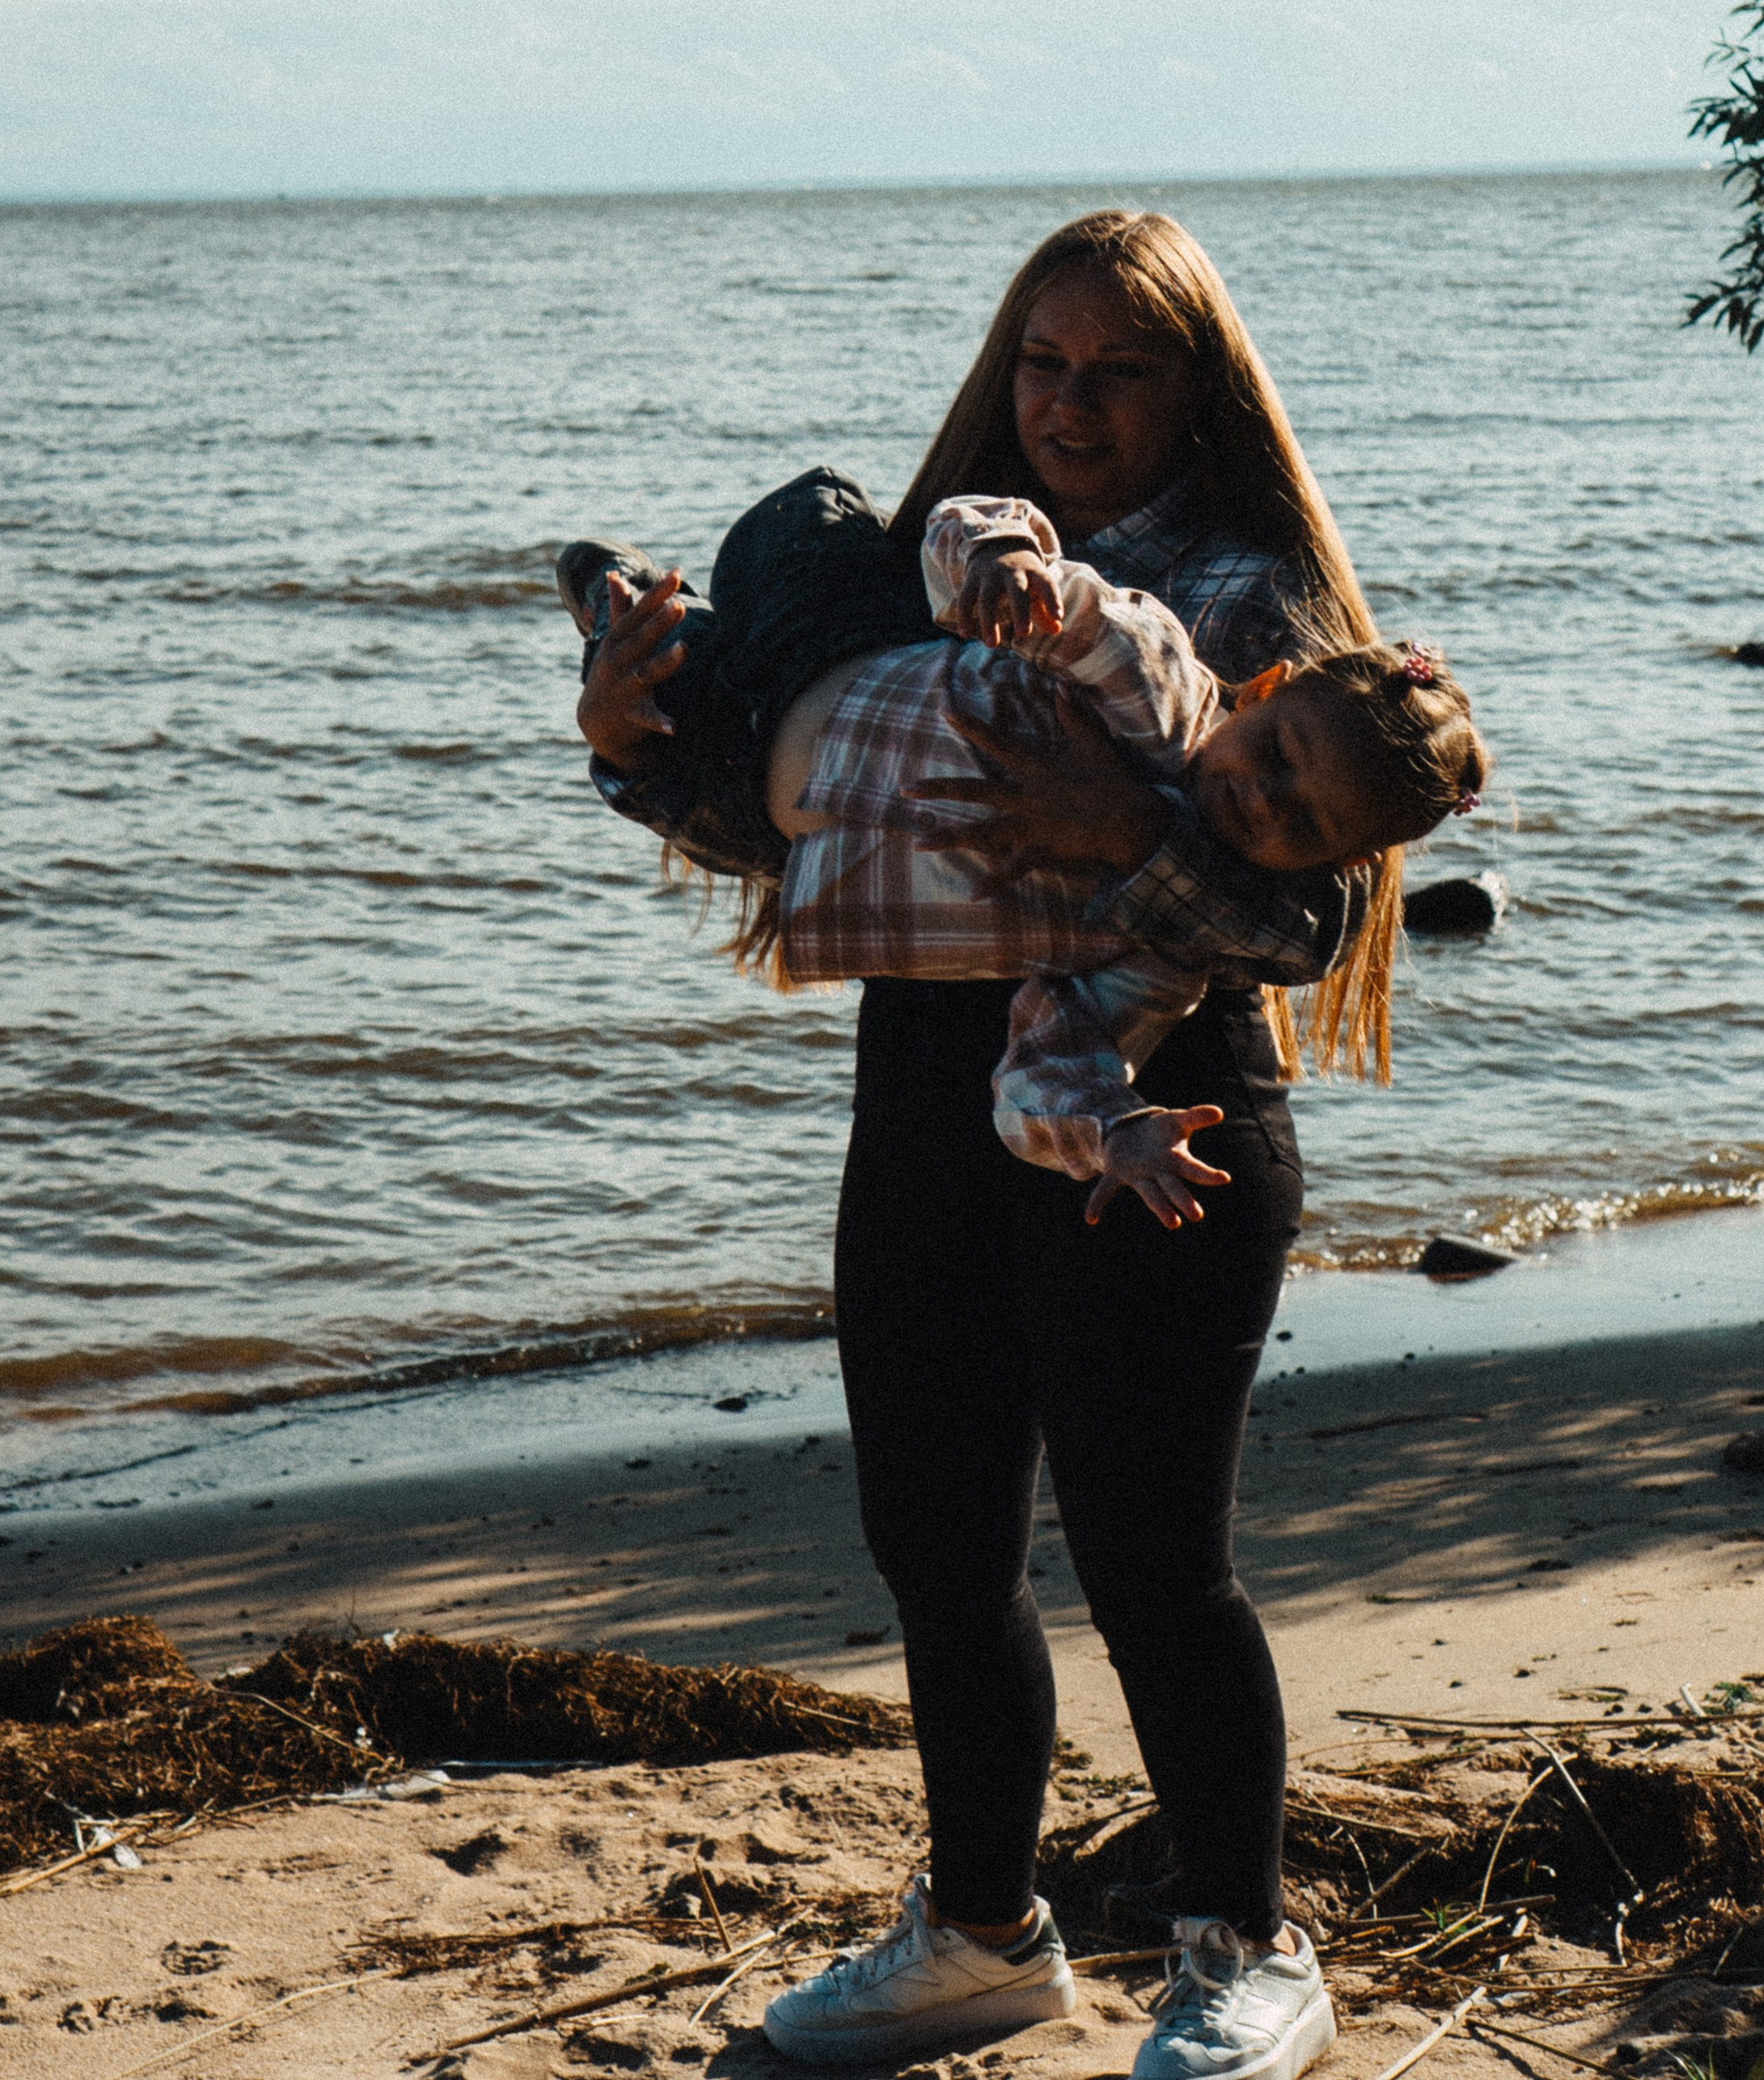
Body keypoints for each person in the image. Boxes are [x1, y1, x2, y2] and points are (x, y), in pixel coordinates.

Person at [577, 212, 1405, 2080]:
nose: (1070, 401)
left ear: (1196, 385)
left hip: (1163, 1090)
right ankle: (975, 1931)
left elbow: (1317, 916)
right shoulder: (926, 560)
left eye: (1117, 367)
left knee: (1145, 1551)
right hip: (933, 1083)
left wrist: (1131, 813)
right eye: (1041, 361)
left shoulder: (1249, 587)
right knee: (934, 1536)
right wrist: (634, 743)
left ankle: (1245, 1944)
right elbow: (806, 821)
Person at [558, 478, 1484, 1223]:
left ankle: (616, 603)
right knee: (806, 521)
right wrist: (1003, 555)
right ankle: (624, 594)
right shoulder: (1148, 672)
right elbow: (992, 539)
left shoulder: (1161, 956)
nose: (1262, 799)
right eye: (1279, 754)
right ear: (1268, 686)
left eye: (1309, 825)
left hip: (751, 793)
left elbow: (1048, 1066)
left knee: (656, 684)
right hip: (827, 646)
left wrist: (1114, 1130)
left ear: (1345, 865)